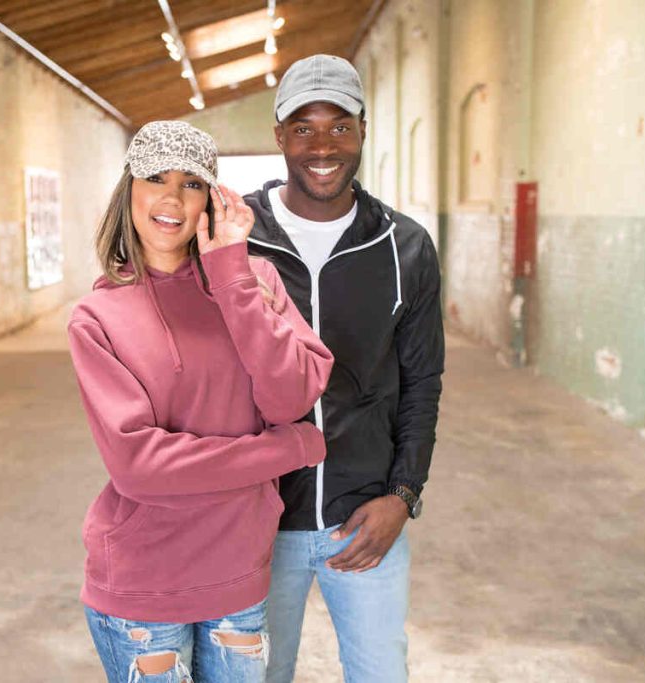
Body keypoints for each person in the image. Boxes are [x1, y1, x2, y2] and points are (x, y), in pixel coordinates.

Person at [67, 120, 334, 683]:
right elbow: (140, 468)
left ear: (209, 201)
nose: (170, 197)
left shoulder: (253, 280)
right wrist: (288, 450)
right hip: (144, 586)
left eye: (190, 184)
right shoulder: (98, 319)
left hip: (238, 569)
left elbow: (291, 396)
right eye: (155, 178)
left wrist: (233, 284)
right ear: (129, 192)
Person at [243, 55, 445, 682]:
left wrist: (402, 497)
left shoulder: (403, 245)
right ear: (279, 136)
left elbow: (422, 382)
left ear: (362, 131)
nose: (322, 145)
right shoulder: (233, 236)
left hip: (365, 520)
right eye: (303, 127)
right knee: (256, 675)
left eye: (340, 126)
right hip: (255, 519)